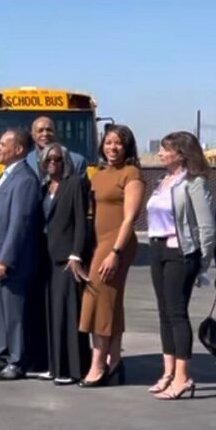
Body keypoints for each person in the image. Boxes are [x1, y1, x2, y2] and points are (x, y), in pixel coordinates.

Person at [146, 131, 214, 400]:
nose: (160, 154)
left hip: (181, 252)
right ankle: (169, 372)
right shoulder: (163, 181)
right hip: (157, 248)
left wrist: (203, 263)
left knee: (176, 312)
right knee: (164, 312)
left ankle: (184, 377)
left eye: (165, 150)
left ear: (181, 154)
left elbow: (207, 227)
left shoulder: (194, 183)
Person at [78, 125, 145, 387]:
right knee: (111, 305)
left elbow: (130, 218)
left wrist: (115, 252)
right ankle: (114, 362)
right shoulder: (99, 174)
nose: (112, 148)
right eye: (108, 142)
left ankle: (97, 367)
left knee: (98, 302)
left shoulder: (132, 174)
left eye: (118, 143)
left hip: (116, 245)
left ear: (127, 146)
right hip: (98, 243)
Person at [0, 127, 42, 381]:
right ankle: (1, 355)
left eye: (3, 144)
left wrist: (6, 257)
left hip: (9, 262)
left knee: (14, 315)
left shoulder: (24, 180)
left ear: (18, 149)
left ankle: (17, 361)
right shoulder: (4, 175)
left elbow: (19, 223)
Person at [38, 143, 92, 384]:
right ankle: (54, 365)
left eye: (57, 159)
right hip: (46, 258)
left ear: (66, 161)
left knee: (69, 313)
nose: (53, 163)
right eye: (48, 159)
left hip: (67, 259)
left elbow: (82, 221)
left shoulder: (75, 184)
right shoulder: (44, 187)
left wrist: (76, 254)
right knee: (51, 313)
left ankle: (73, 369)